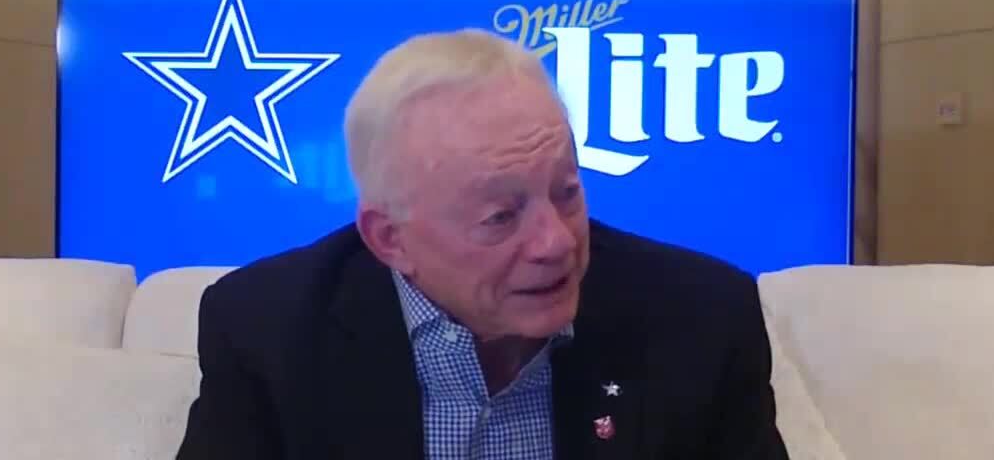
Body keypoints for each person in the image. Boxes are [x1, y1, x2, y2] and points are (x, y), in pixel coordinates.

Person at [176, 28, 789, 460]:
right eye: (501, 217)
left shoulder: (704, 318)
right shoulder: (265, 330)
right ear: (391, 239)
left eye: (566, 192)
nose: (556, 243)